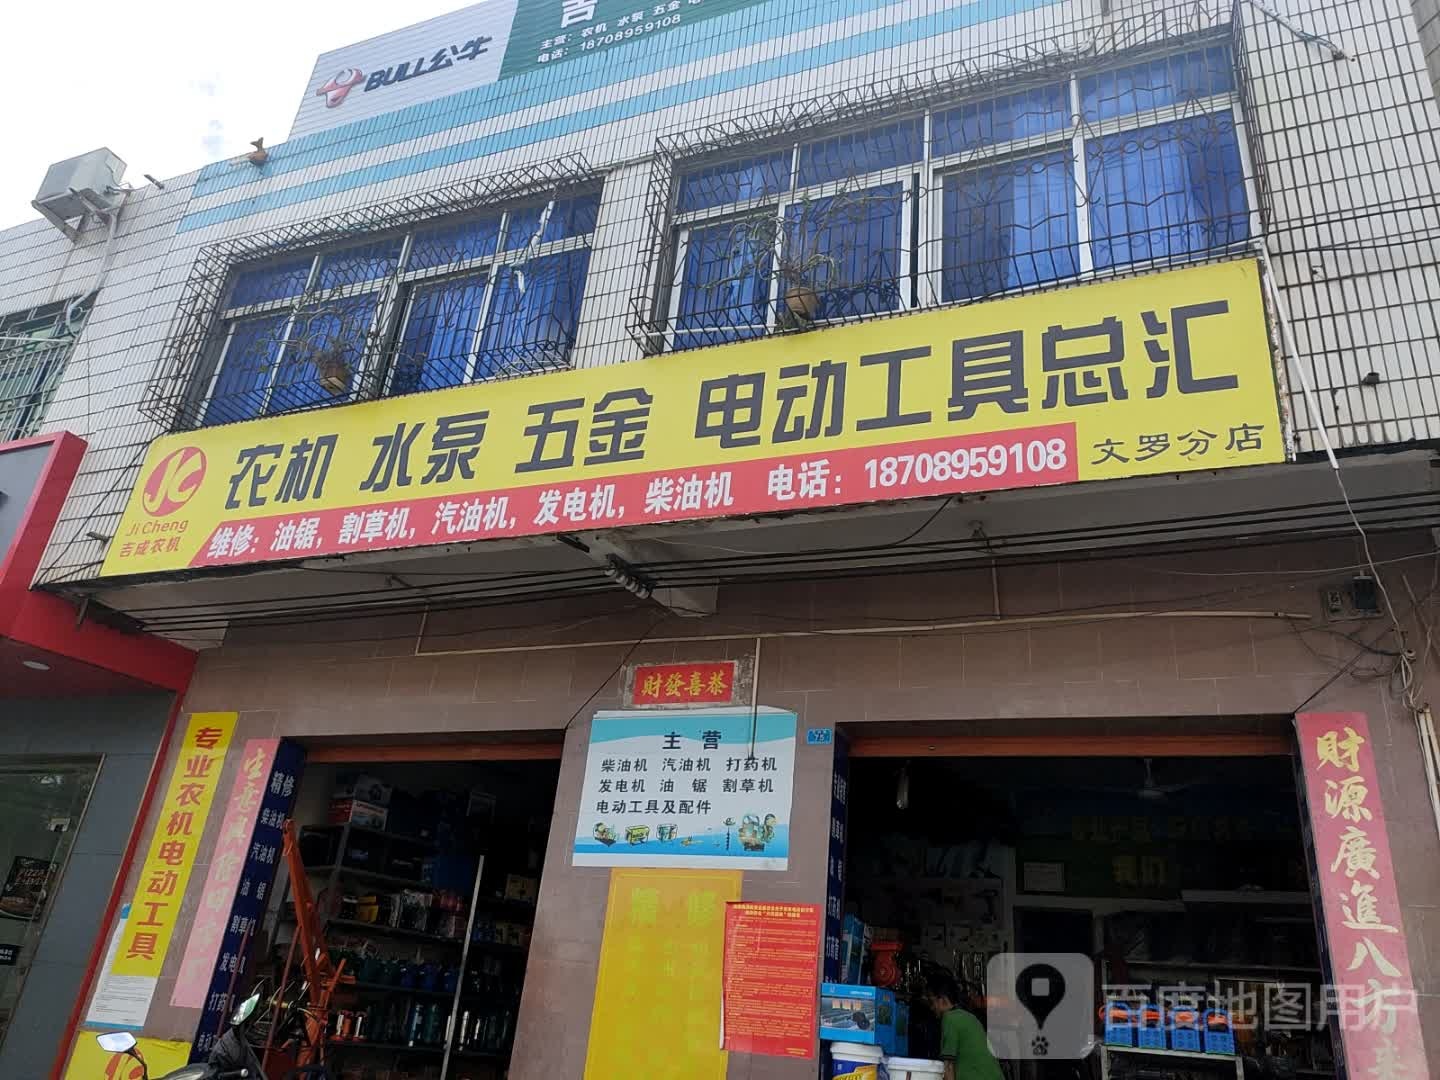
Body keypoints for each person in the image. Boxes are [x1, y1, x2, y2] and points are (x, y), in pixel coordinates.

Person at [925, 970, 1004, 1080]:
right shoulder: (966, 1016)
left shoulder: (950, 1019)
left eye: (931, 1001)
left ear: (943, 1000)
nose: (931, 1007)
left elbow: (948, 1066)